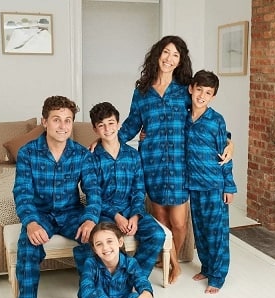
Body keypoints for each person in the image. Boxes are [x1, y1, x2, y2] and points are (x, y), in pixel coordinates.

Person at [93, 35, 233, 284]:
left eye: (176, 55)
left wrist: (229, 141)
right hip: (152, 160)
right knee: (161, 221)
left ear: (181, 61)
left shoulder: (184, 89)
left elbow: (203, 119)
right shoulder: (143, 90)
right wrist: (107, 141)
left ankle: (173, 260)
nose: (169, 58)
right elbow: (133, 123)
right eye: (166, 52)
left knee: (179, 223)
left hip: (180, 163)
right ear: (158, 54)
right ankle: (169, 262)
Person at [13, 95, 101, 298]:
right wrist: (31, 222)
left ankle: (88, 296)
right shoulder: (27, 153)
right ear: (44, 122)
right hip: (40, 214)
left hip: (71, 212)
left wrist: (91, 219)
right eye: (56, 120)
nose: (63, 126)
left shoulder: (81, 154)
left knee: (93, 240)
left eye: (68, 120)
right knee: (27, 247)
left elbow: (94, 191)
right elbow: (22, 192)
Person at [89, 101, 165, 278]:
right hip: (104, 212)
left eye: (111, 123)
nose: (107, 129)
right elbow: (94, 194)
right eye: (101, 126)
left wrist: (135, 216)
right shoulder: (91, 158)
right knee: (107, 242)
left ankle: (134, 277)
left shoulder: (133, 155)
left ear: (118, 124)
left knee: (156, 234)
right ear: (95, 130)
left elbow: (139, 189)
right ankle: (110, 279)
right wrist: (116, 216)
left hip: (132, 209)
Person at [185, 70, 237, 294]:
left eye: (208, 93)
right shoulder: (183, 116)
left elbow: (225, 155)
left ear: (213, 96)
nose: (202, 96)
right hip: (193, 185)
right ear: (191, 89)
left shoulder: (216, 121)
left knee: (217, 233)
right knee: (201, 231)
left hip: (214, 185)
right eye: (199, 90)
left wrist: (229, 186)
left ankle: (218, 276)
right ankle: (206, 267)